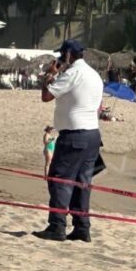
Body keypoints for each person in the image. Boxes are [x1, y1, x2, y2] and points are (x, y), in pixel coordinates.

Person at [33, 39, 103, 242]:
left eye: (62, 56)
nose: (60, 59)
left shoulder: (73, 73)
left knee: (59, 179)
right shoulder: (93, 74)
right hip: (92, 134)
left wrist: (50, 75)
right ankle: (82, 227)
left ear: (69, 55)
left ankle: (57, 225)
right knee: (83, 182)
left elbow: (46, 96)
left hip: (75, 134)